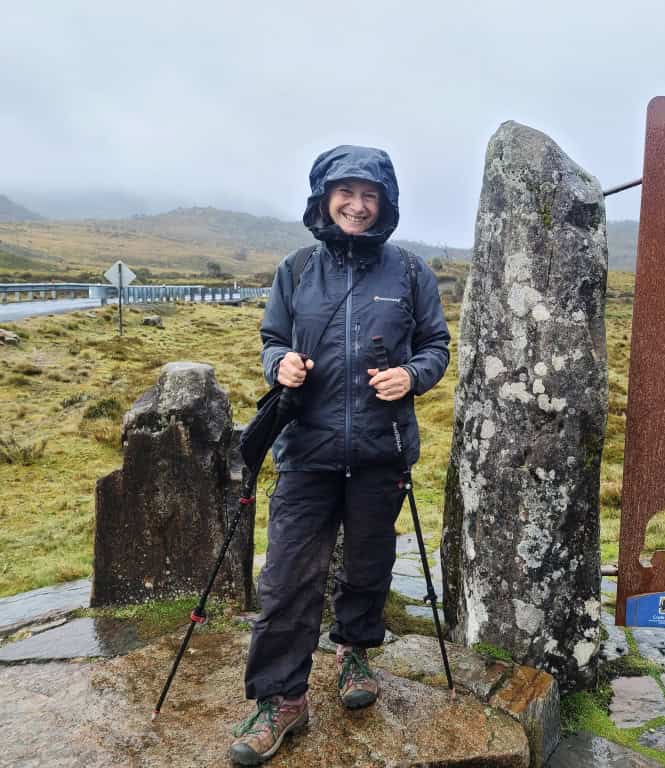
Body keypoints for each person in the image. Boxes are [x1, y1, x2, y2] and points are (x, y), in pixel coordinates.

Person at [229, 145, 450, 766]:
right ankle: (281, 702)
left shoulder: (409, 273)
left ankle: (353, 652)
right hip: (307, 451)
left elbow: (436, 345)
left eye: (369, 195)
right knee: (287, 578)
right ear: (324, 198)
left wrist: (412, 375)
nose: (357, 205)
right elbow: (271, 338)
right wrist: (282, 363)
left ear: (386, 204)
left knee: (369, 566)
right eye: (346, 193)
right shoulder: (296, 269)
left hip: (382, 451)